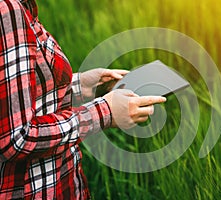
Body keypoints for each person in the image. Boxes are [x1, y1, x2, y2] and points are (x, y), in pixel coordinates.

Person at [0, 0, 166, 199]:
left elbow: (13, 99)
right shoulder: (7, 10)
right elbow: (17, 137)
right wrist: (105, 112)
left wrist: (80, 86)